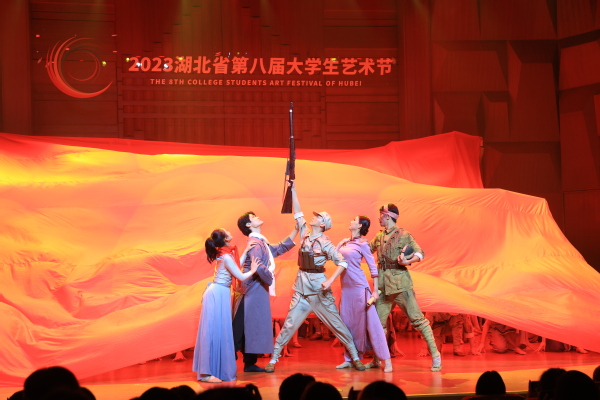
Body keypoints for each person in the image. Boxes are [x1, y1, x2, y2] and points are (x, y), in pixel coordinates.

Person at [265, 182, 366, 372]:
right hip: (301, 287)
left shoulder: (326, 243)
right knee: (289, 324)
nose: (313, 217)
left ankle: (355, 356)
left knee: (336, 324)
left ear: (323, 224)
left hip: (319, 289)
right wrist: (293, 190)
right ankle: (274, 358)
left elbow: (342, 262)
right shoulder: (305, 234)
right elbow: (298, 213)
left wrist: (329, 281)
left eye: (318, 216)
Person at [369, 203, 441, 371]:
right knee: (378, 324)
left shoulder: (404, 235)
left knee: (418, 320)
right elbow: (366, 248)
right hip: (383, 286)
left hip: (401, 284)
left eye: (381, 215)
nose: (379, 218)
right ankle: (376, 359)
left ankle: (436, 355)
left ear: (388, 216)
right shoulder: (379, 236)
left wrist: (407, 260)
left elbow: (420, 253)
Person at [192, 228, 260, 382]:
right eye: (226, 231)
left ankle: (210, 371)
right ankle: (206, 373)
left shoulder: (225, 255)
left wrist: (245, 252)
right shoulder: (226, 256)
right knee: (213, 332)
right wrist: (253, 270)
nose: (229, 231)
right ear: (225, 239)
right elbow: (240, 275)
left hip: (220, 293)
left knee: (217, 331)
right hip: (218, 294)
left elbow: (234, 267)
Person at [233, 211, 297, 372]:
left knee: (249, 325)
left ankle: (249, 362)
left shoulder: (261, 242)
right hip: (254, 287)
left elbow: (279, 248)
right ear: (249, 225)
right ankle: (239, 359)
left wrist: (296, 230)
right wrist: (270, 278)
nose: (257, 217)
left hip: (256, 287)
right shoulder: (256, 243)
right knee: (247, 325)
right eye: (253, 217)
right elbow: (259, 266)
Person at [334, 215, 392, 372]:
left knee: (372, 324)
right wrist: (337, 245)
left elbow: (373, 268)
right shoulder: (345, 242)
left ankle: (386, 360)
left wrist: (375, 291)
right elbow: (335, 259)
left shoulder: (363, 244)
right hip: (346, 289)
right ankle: (350, 358)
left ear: (359, 226)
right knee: (347, 325)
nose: (351, 221)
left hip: (359, 288)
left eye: (354, 220)